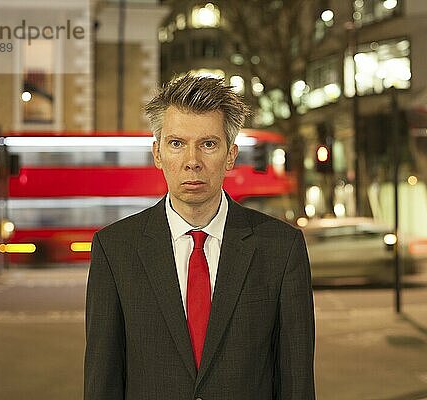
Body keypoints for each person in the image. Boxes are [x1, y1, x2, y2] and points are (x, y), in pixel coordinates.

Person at [84, 74, 315, 399]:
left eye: (208, 144)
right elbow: (102, 381)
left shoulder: (281, 248)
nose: (192, 162)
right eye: (177, 144)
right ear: (158, 154)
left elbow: (297, 382)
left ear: (231, 155)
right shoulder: (115, 249)